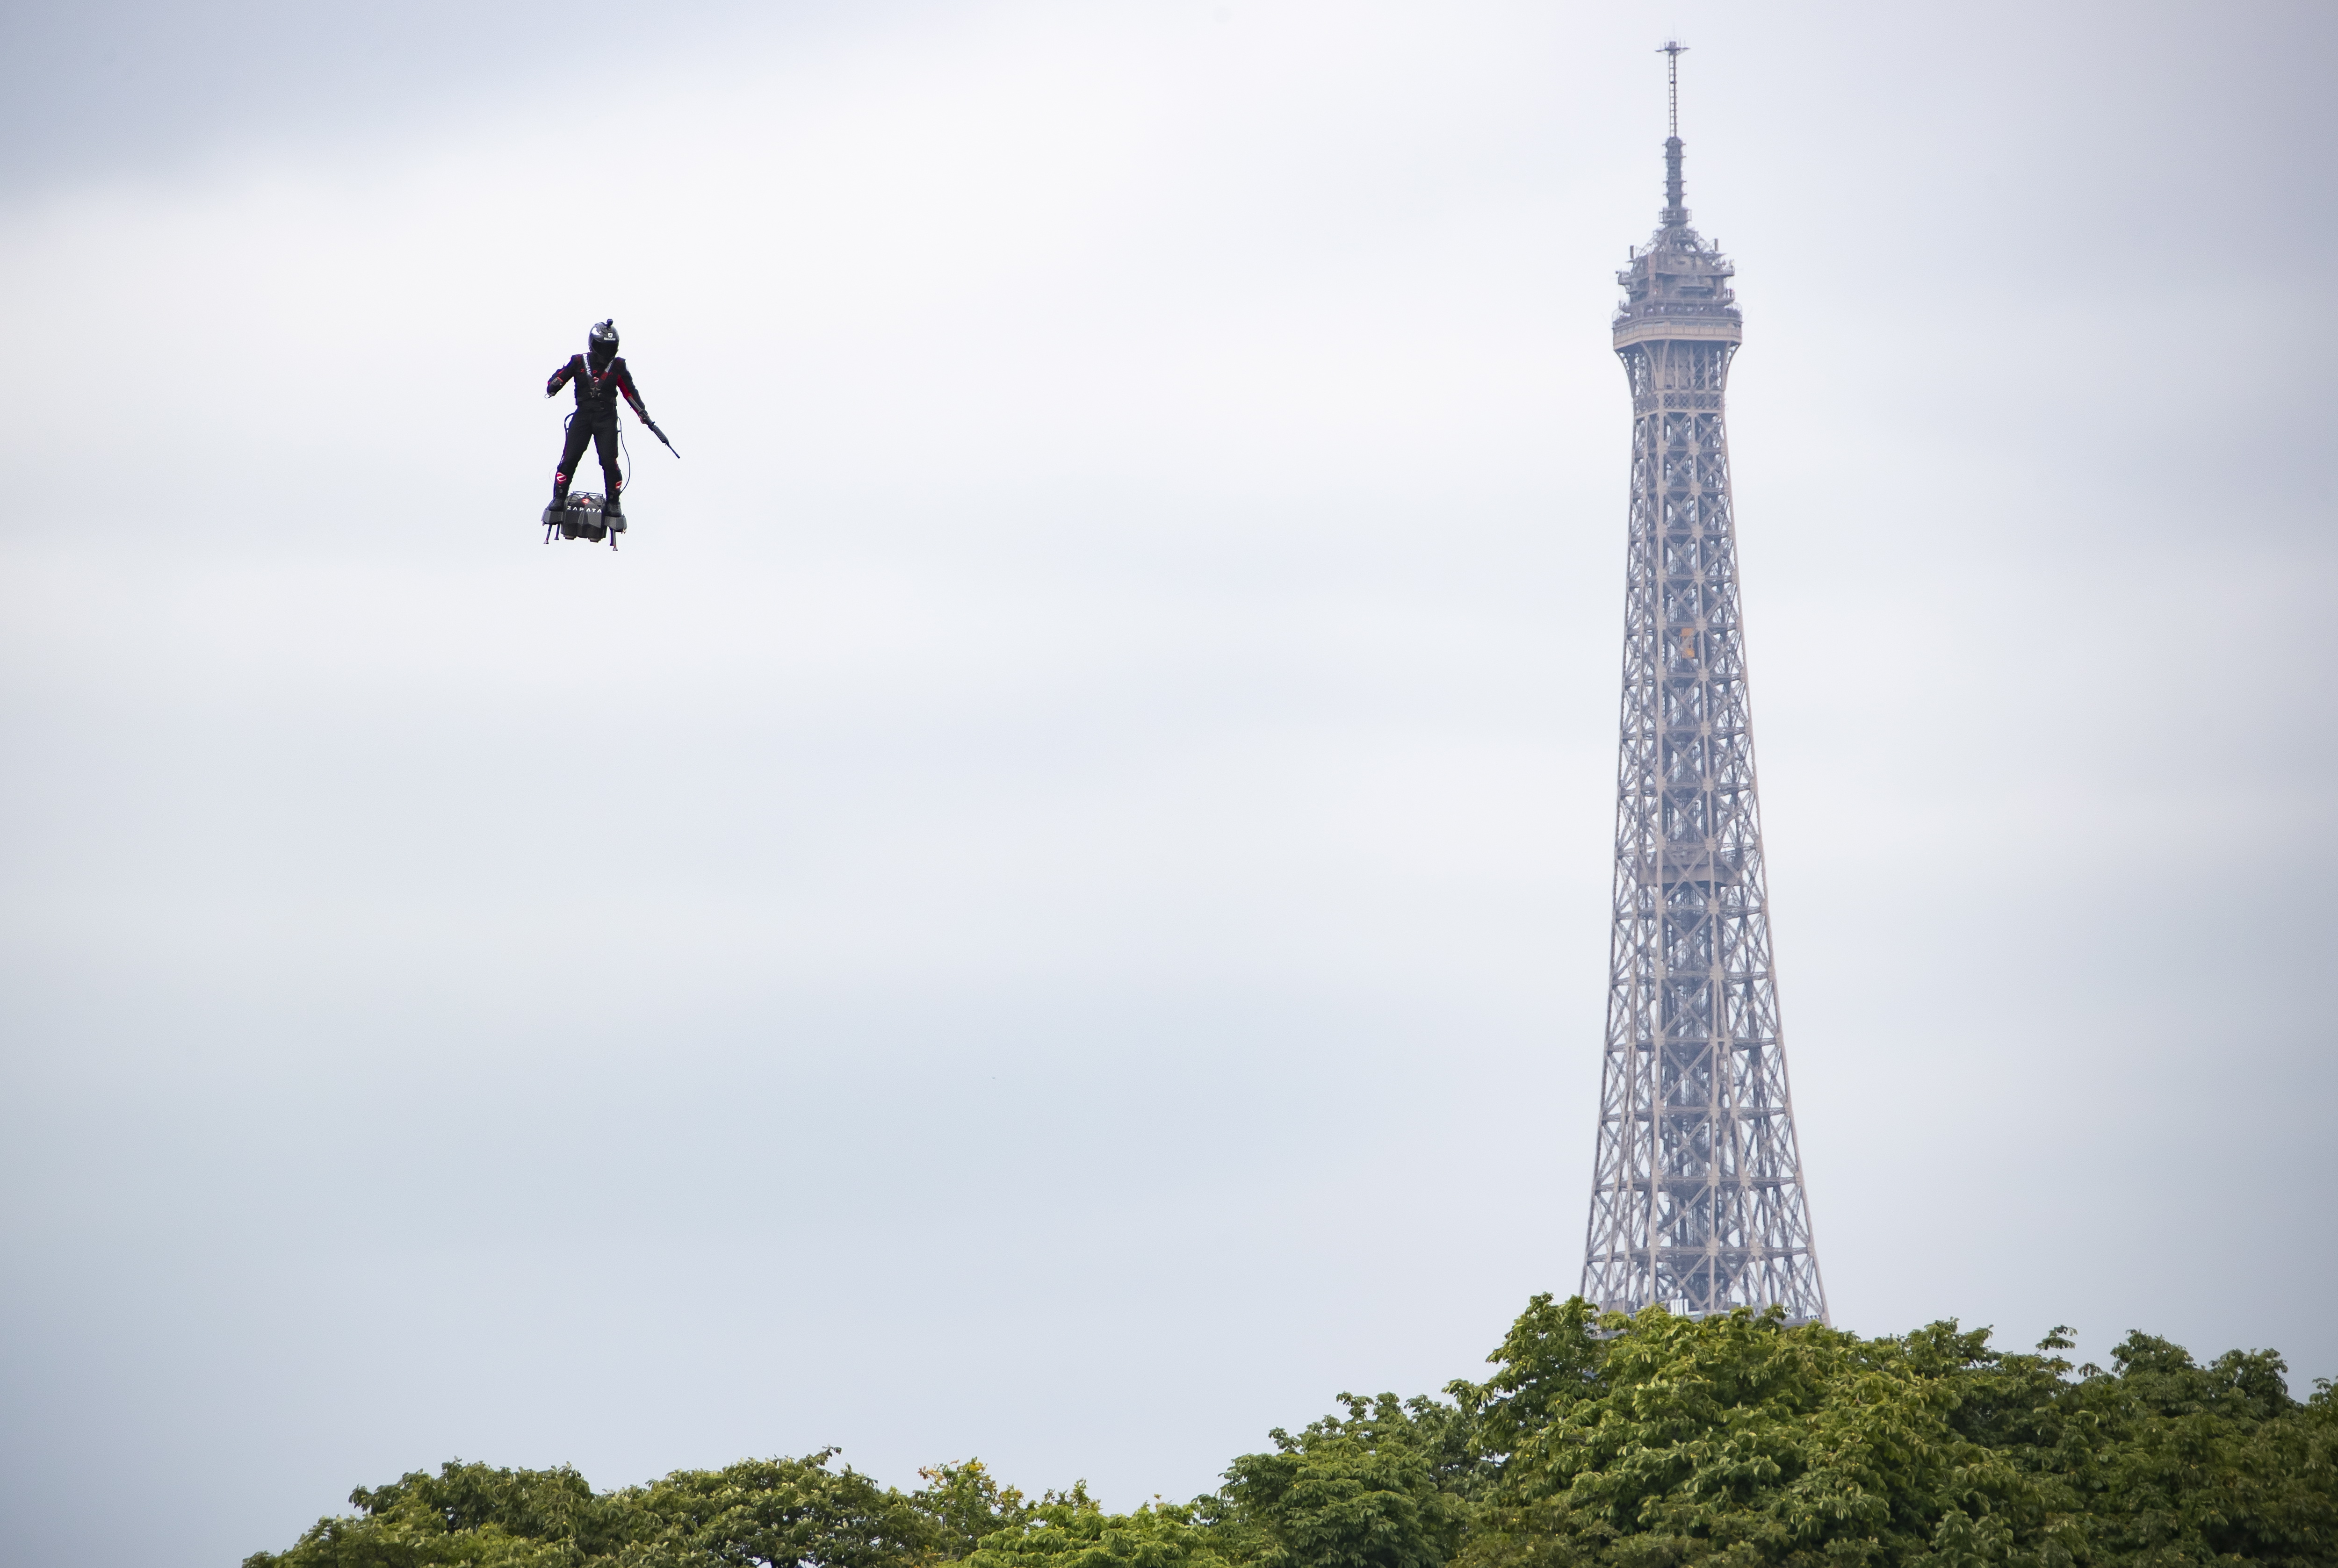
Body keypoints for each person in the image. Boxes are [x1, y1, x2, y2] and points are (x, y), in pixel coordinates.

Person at [545, 320, 655, 518]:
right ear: (593, 345)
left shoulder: (618, 365)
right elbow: (559, 378)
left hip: (606, 417)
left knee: (609, 462)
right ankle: (559, 497)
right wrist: (554, 385)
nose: (606, 352)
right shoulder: (578, 361)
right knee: (569, 458)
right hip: (583, 415)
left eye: (610, 348)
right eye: (602, 347)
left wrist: (642, 413)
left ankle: (614, 501)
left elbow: (630, 392)